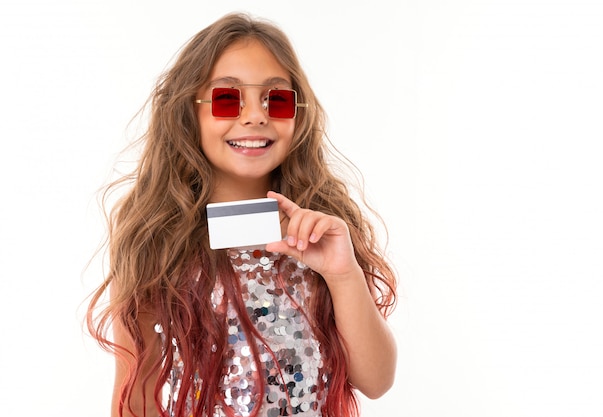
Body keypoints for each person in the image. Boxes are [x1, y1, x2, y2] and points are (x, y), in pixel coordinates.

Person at [87, 12, 398, 417]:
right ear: (188, 112)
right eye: (227, 99)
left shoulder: (324, 228)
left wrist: (342, 275)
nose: (255, 115)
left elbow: (376, 380)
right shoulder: (157, 242)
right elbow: (136, 397)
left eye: (277, 99)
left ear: (298, 115)